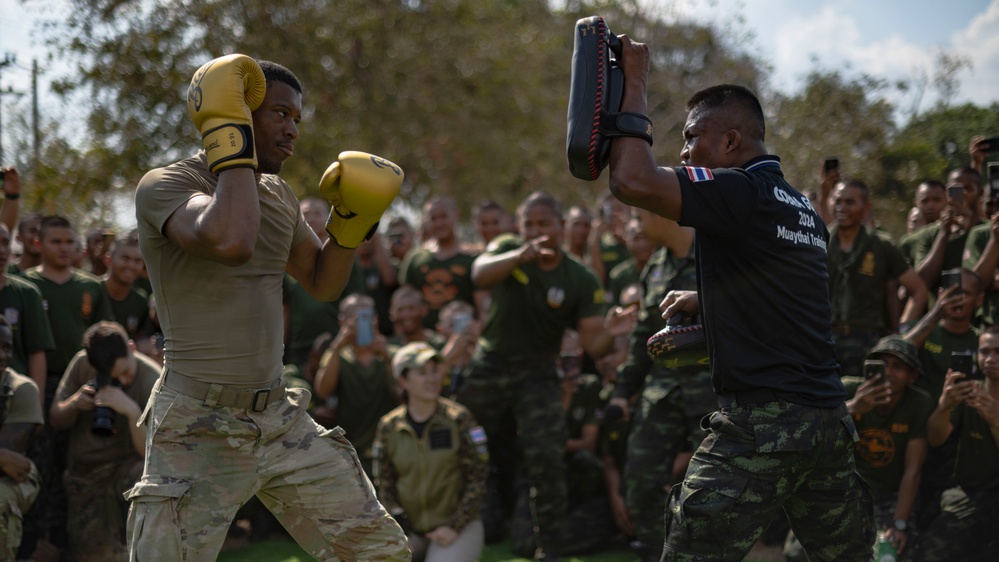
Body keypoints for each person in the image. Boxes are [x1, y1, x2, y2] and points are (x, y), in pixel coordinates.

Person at [130, 55, 408, 560]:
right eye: (279, 113)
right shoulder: (167, 185)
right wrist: (228, 136)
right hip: (197, 422)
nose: (292, 129)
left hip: (279, 417)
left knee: (379, 551)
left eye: (297, 119)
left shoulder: (278, 195)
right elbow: (231, 239)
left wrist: (350, 224)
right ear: (236, 111)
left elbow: (323, 283)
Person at [607, 35, 874, 559]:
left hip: (763, 424)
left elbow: (631, 180)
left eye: (691, 138)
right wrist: (707, 299)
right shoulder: (800, 208)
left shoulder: (737, 190)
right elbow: (785, 299)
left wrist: (634, 80)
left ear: (730, 143)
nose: (684, 153)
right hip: (827, 424)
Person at [458, 190, 636, 560]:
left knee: (546, 457)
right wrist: (518, 255)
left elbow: (594, 343)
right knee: (465, 444)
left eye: (544, 223)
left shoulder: (580, 278)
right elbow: (479, 274)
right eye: (529, 224)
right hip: (490, 366)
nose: (536, 230)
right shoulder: (509, 248)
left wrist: (613, 332)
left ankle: (550, 547)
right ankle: (454, 524)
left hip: (537, 374)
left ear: (561, 227)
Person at [786, 336, 932, 560]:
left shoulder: (918, 404)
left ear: (912, 376)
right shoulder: (849, 388)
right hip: (843, 487)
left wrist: (899, 524)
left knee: (890, 554)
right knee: (796, 554)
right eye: (881, 365)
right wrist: (854, 407)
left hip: (887, 496)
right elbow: (811, 432)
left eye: (898, 367)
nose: (889, 373)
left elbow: (913, 470)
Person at [49, 321, 160, 561]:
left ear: (131, 347)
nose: (124, 380)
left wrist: (132, 412)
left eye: (125, 372)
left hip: (124, 469)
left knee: (150, 478)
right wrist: (75, 403)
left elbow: (151, 456)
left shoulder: (152, 379)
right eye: (114, 376)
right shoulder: (83, 363)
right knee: (94, 556)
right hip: (85, 476)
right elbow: (56, 418)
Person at [373, 341, 488, 562]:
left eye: (435, 371)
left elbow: (478, 478)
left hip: (458, 528)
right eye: (422, 373)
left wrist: (453, 527)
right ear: (403, 380)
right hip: (409, 531)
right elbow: (384, 482)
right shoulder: (389, 426)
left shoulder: (459, 419)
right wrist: (400, 527)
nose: (433, 379)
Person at [913, 324, 999, 560]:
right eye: (985, 352)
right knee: (928, 553)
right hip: (972, 495)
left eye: (998, 352)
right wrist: (944, 405)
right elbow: (936, 438)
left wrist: (996, 422)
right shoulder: (971, 392)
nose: (990, 359)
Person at [828, 178, 927, 377]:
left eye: (850, 202)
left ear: (866, 207)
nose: (841, 207)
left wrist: (903, 333)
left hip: (867, 342)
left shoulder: (881, 245)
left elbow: (918, 291)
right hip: (824, 339)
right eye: (837, 201)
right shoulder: (818, 240)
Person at [313, 293, 400, 476]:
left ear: (375, 318)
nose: (360, 322)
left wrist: (385, 356)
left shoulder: (391, 353)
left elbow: (402, 393)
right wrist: (337, 346)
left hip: (390, 448)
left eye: (366, 316)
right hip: (351, 451)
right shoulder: (338, 357)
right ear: (342, 321)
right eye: (354, 316)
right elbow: (322, 390)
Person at [400, 196, 481, 328]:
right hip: (423, 341)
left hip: (461, 338)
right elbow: (404, 303)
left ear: (456, 215)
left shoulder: (472, 259)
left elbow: (482, 308)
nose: (439, 223)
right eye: (433, 218)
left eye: (443, 217)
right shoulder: (416, 258)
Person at [0, 316, 43, 560]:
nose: (2, 356)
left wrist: (3, 455)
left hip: (16, 475)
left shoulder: (21, 388)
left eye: (7, 348)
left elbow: (8, 460)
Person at [0, 223, 53, 408]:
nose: (2, 250)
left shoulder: (27, 293)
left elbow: (36, 352)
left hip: (14, 397)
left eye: (5, 243)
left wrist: (35, 404)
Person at [101, 231, 155, 354]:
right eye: (125, 258)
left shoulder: (140, 299)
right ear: (108, 259)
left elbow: (142, 337)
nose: (131, 265)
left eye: (137, 261)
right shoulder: (92, 290)